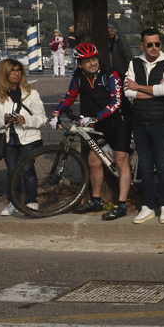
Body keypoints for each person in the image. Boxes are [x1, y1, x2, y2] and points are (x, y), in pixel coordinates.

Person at [51, 42, 133, 220]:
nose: (92, 63)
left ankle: (121, 204)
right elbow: (69, 97)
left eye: (94, 58)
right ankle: (96, 201)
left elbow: (117, 101)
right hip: (99, 122)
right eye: (87, 61)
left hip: (119, 121)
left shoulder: (110, 74)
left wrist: (95, 118)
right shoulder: (78, 77)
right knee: (94, 161)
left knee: (121, 161)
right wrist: (56, 113)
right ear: (79, 64)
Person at [124, 28, 164, 224]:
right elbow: (126, 92)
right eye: (150, 44)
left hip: (161, 122)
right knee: (145, 167)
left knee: (162, 166)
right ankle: (147, 207)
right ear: (142, 45)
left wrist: (138, 87)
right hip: (139, 122)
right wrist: (153, 92)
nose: (154, 47)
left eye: (157, 44)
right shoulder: (134, 63)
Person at [0, 58, 47, 216]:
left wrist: (25, 120)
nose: (16, 73)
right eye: (12, 71)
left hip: (29, 138)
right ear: (4, 73)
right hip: (8, 139)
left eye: (19, 70)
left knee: (28, 170)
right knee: (12, 172)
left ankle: (32, 201)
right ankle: (14, 202)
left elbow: (42, 119)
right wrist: (4, 119)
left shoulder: (31, 93)